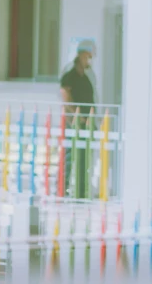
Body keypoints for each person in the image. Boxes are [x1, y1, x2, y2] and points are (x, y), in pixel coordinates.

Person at [59, 39, 97, 198]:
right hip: (73, 124)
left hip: (86, 124)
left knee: (84, 159)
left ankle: (81, 193)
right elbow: (66, 100)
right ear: (80, 56)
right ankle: (62, 190)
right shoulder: (69, 76)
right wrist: (78, 117)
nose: (89, 59)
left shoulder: (87, 78)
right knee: (69, 158)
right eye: (87, 56)